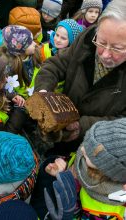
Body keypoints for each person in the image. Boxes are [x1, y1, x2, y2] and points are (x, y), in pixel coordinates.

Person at [34, 0, 126, 155]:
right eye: (101, 42)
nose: (104, 54)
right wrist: (43, 93)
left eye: (117, 48)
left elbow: (122, 122)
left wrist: (82, 126)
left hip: (92, 149)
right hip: (61, 125)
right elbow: (56, 64)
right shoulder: (87, 38)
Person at [32, 118, 126, 219]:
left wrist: (67, 215)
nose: (82, 149)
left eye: (90, 154)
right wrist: (65, 169)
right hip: (63, 183)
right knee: (49, 162)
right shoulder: (87, 154)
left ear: (108, 170)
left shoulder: (107, 212)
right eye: (87, 142)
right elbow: (79, 159)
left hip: (67, 209)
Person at [0, 25, 42, 99]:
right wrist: (14, 96)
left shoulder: (36, 54)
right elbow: (4, 87)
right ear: (20, 50)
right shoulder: (8, 66)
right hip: (19, 100)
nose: (35, 44)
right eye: (30, 43)